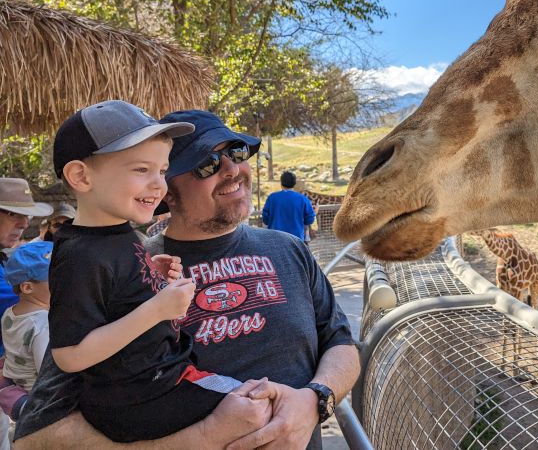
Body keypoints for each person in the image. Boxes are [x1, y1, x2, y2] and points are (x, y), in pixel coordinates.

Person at [14, 109, 359, 450]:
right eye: (206, 164)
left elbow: (341, 344)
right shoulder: (118, 267)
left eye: (236, 152)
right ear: (166, 192)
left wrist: (315, 401)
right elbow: (37, 435)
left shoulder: (290, 250)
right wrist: (202, 439)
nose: (232, 170)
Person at [46, 100, 269, 443]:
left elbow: (113, 296)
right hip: (139, 397)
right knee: (257, 412)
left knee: (260, 398)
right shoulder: (79, 255)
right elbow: (70, 355)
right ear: (81, 176)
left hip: (160, 378)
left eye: (162, 171)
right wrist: (157, 309)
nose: (158, 185)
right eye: (141, 170)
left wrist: (147, 276)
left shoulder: (120, 234)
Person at [0, 179, 52, 450]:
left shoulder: (8, 262)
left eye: (25, 215)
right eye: (13, 213)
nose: (23, 223)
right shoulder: (40, 320)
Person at [2, 241, 52, 392]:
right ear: (28, 287)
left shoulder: (10, 312)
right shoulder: (42, 323)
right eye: (56, 278)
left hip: (16, 383)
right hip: (34, 392)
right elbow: (46, 372)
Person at [262, 171, 315, 241]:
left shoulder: (272, 198)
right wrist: (315, 212)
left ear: (281, 183)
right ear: (294, 183)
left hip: (275, 239)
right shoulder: (303, 199)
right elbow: (309, 220)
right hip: (296, 240)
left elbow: (265, 219)